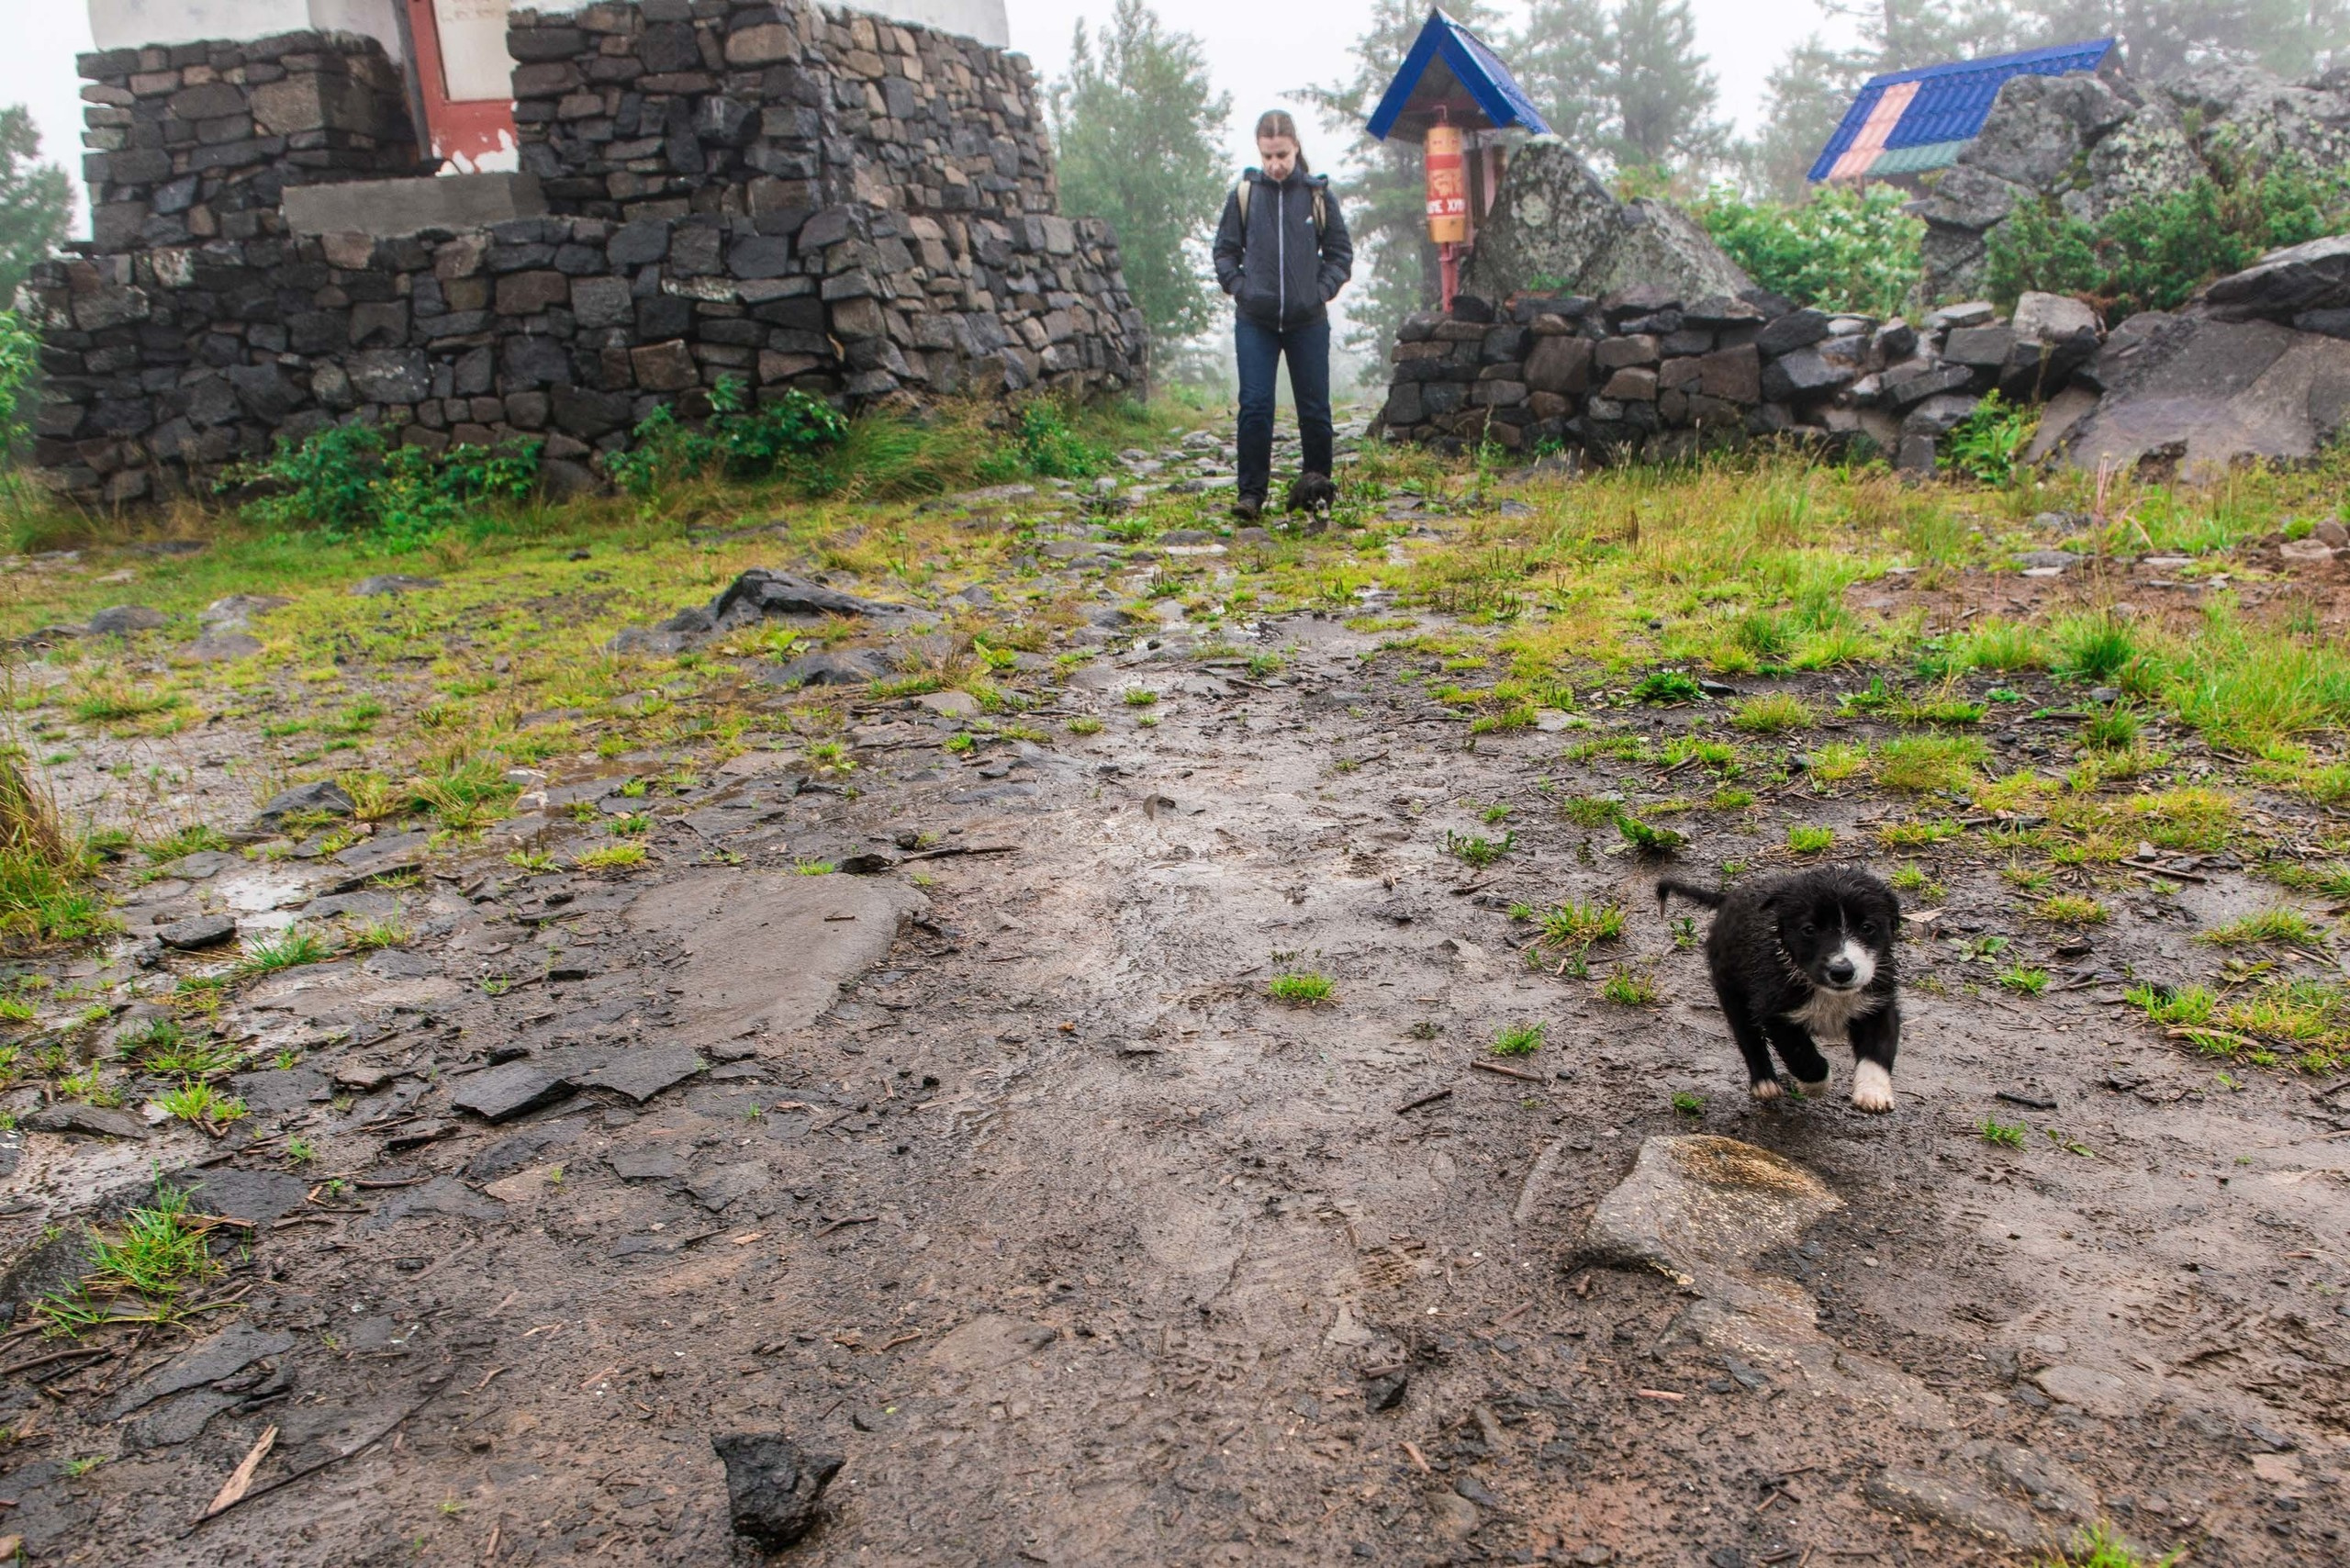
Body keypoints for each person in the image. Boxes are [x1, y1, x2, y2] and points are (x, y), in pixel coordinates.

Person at [1210, 110, 1352, 522]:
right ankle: (1251, 495)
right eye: (1268, 156)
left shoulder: (1317, 196)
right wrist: (1240, 288)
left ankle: (1317, 493)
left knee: (1315, 410)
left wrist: (1319, 292)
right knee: (1255, 406)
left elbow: (1340, 254)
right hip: (1256, 320)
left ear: (1295, 149)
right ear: (1259, 151)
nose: (1275, 164)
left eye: (1282, 155)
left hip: (1308, 321)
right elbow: (1224, 251)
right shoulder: (1245, 195)